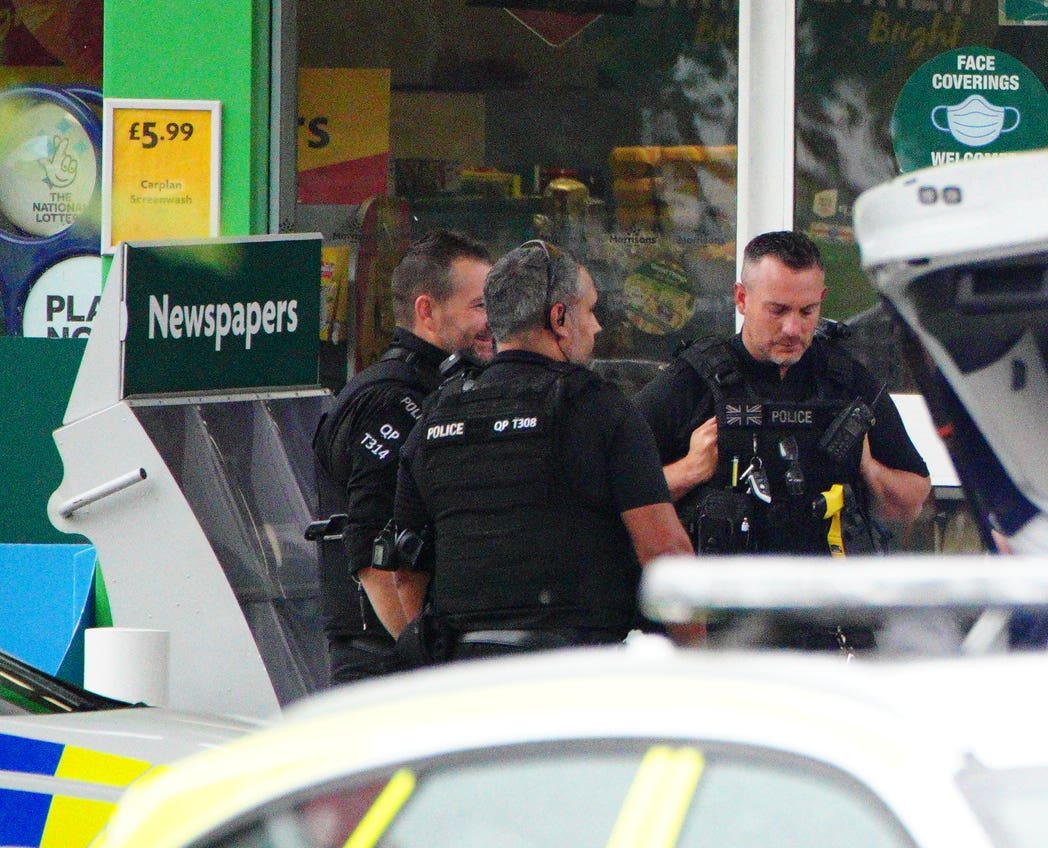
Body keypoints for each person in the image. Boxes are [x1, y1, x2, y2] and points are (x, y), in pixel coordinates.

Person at [369, 241, 690, 661]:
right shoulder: (600, 409)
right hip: (576, 677)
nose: (596, 328)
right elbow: (665, 551)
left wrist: (437, 658)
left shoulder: (435, 416)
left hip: (468, 678)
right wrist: (695, 661)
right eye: (590, 311)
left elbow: (407, 572)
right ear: (559, 318)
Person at [639, 229, 933, 555]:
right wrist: (689, 471)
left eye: (807, 311)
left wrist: (866, 465)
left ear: (821, 299)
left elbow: (911, 503)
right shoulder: (693, 380)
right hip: (726, 598)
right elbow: (613, 492)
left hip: (824, 597)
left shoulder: (845, 382)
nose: (793, 329)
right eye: (777, 310)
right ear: (741, 299)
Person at [309, 229, 491, 684]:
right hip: (385, 662)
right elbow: (373, 559)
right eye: (480, 306)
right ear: (426, 310)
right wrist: (428, 667)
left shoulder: (442, 388)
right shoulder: (391, 400)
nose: (494, 321)